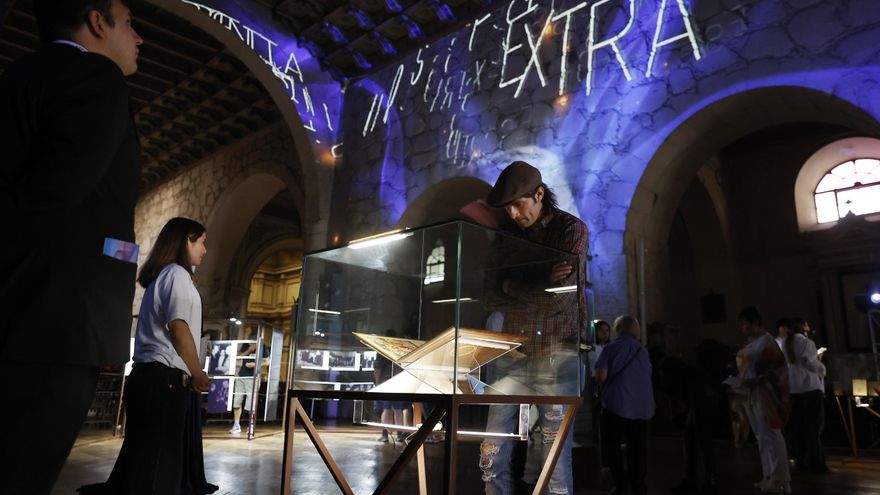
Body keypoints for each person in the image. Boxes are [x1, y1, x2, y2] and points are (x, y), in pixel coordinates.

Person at [0, 1, 142, 492]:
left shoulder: (17, 76)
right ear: (97, 21)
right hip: (57, 316)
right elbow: (56, 192)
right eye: (130, 23)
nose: (139, 38)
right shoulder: (96, 76)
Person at [79, 217, 213, 494]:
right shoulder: (176, 274)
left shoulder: (164, 276)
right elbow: (179, 328)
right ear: (185, 241)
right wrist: (197, 372)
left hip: (151, 378)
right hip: (164, 379)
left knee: (145, 463)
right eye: (201, 242)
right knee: (159, 469)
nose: (205, 249)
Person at [479, 161, 588, 495]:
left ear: (539, 195)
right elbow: (488, 295)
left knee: (554, 466)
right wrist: (541, 278)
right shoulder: (508, 236)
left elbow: (560, 301)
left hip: (558, 356)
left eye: (518, 204)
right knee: (490, 453)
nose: (513, 214)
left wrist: (512, 284)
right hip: (514, 356)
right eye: (507, 208)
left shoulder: (571, 229)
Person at [595, 315, 655, 495]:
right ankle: (638, 485)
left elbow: (601, 376)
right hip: (641, 407)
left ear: (618, 329)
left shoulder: (611, 348)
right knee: (637, 448)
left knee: (613, 446)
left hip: (617, 404)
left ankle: (620, 485)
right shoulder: (642, 350)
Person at [735, 307, 791, 494]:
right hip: (754, 391)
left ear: (755, 323)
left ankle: (780, 478)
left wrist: (758, 377)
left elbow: (773, 367)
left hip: (766, 392)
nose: (742, 328)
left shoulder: (767, 341)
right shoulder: (752, 343)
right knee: (761, 435)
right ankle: (768, 474)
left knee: (771, 433)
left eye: (745, 324)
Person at [778, 318, 828, 473]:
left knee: (798, 428)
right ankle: (817, 464)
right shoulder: (806, 342)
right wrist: (821, 367)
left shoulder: (785, 342)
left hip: (794, 388)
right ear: (802, 327)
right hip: (810, 387)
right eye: (806, 323)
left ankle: (801, 461)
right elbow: (809, 362)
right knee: (814, 428)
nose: (808, 326)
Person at [229, 328, 268, 435]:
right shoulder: (246, 345)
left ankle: (250, 425)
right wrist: (249, 350)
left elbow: (267, 361)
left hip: (253, 378)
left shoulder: (263, 346)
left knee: (251, 404)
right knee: (237, 401)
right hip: (241, 376)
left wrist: (255, 364)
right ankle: (236, 425)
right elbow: (239, 357)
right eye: (250, 341)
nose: (251, 343)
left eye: (253, 342)